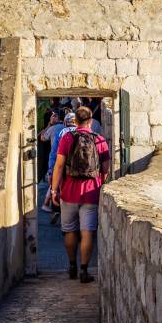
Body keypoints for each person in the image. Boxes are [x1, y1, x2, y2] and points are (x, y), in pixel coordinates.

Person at [49, 106, 111, 282]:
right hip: (91, 192)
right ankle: (84, 270)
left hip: (68, 192)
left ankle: (72, 265)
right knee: (87, 232)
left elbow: (59, 165)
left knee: (69, 230)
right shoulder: (99, 139)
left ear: (75, 121)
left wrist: (54, 190)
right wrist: (100, 182)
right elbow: (105, 169)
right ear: (91, 121)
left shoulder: (67, 137)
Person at [44, 111, 77, 220]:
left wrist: (50, 171)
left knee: (57, 188)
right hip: (79, 169)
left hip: (63, 167)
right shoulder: (84, 132)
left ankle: (56, 210)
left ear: (65, 122)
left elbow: (54, 153)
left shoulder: (62, 132)